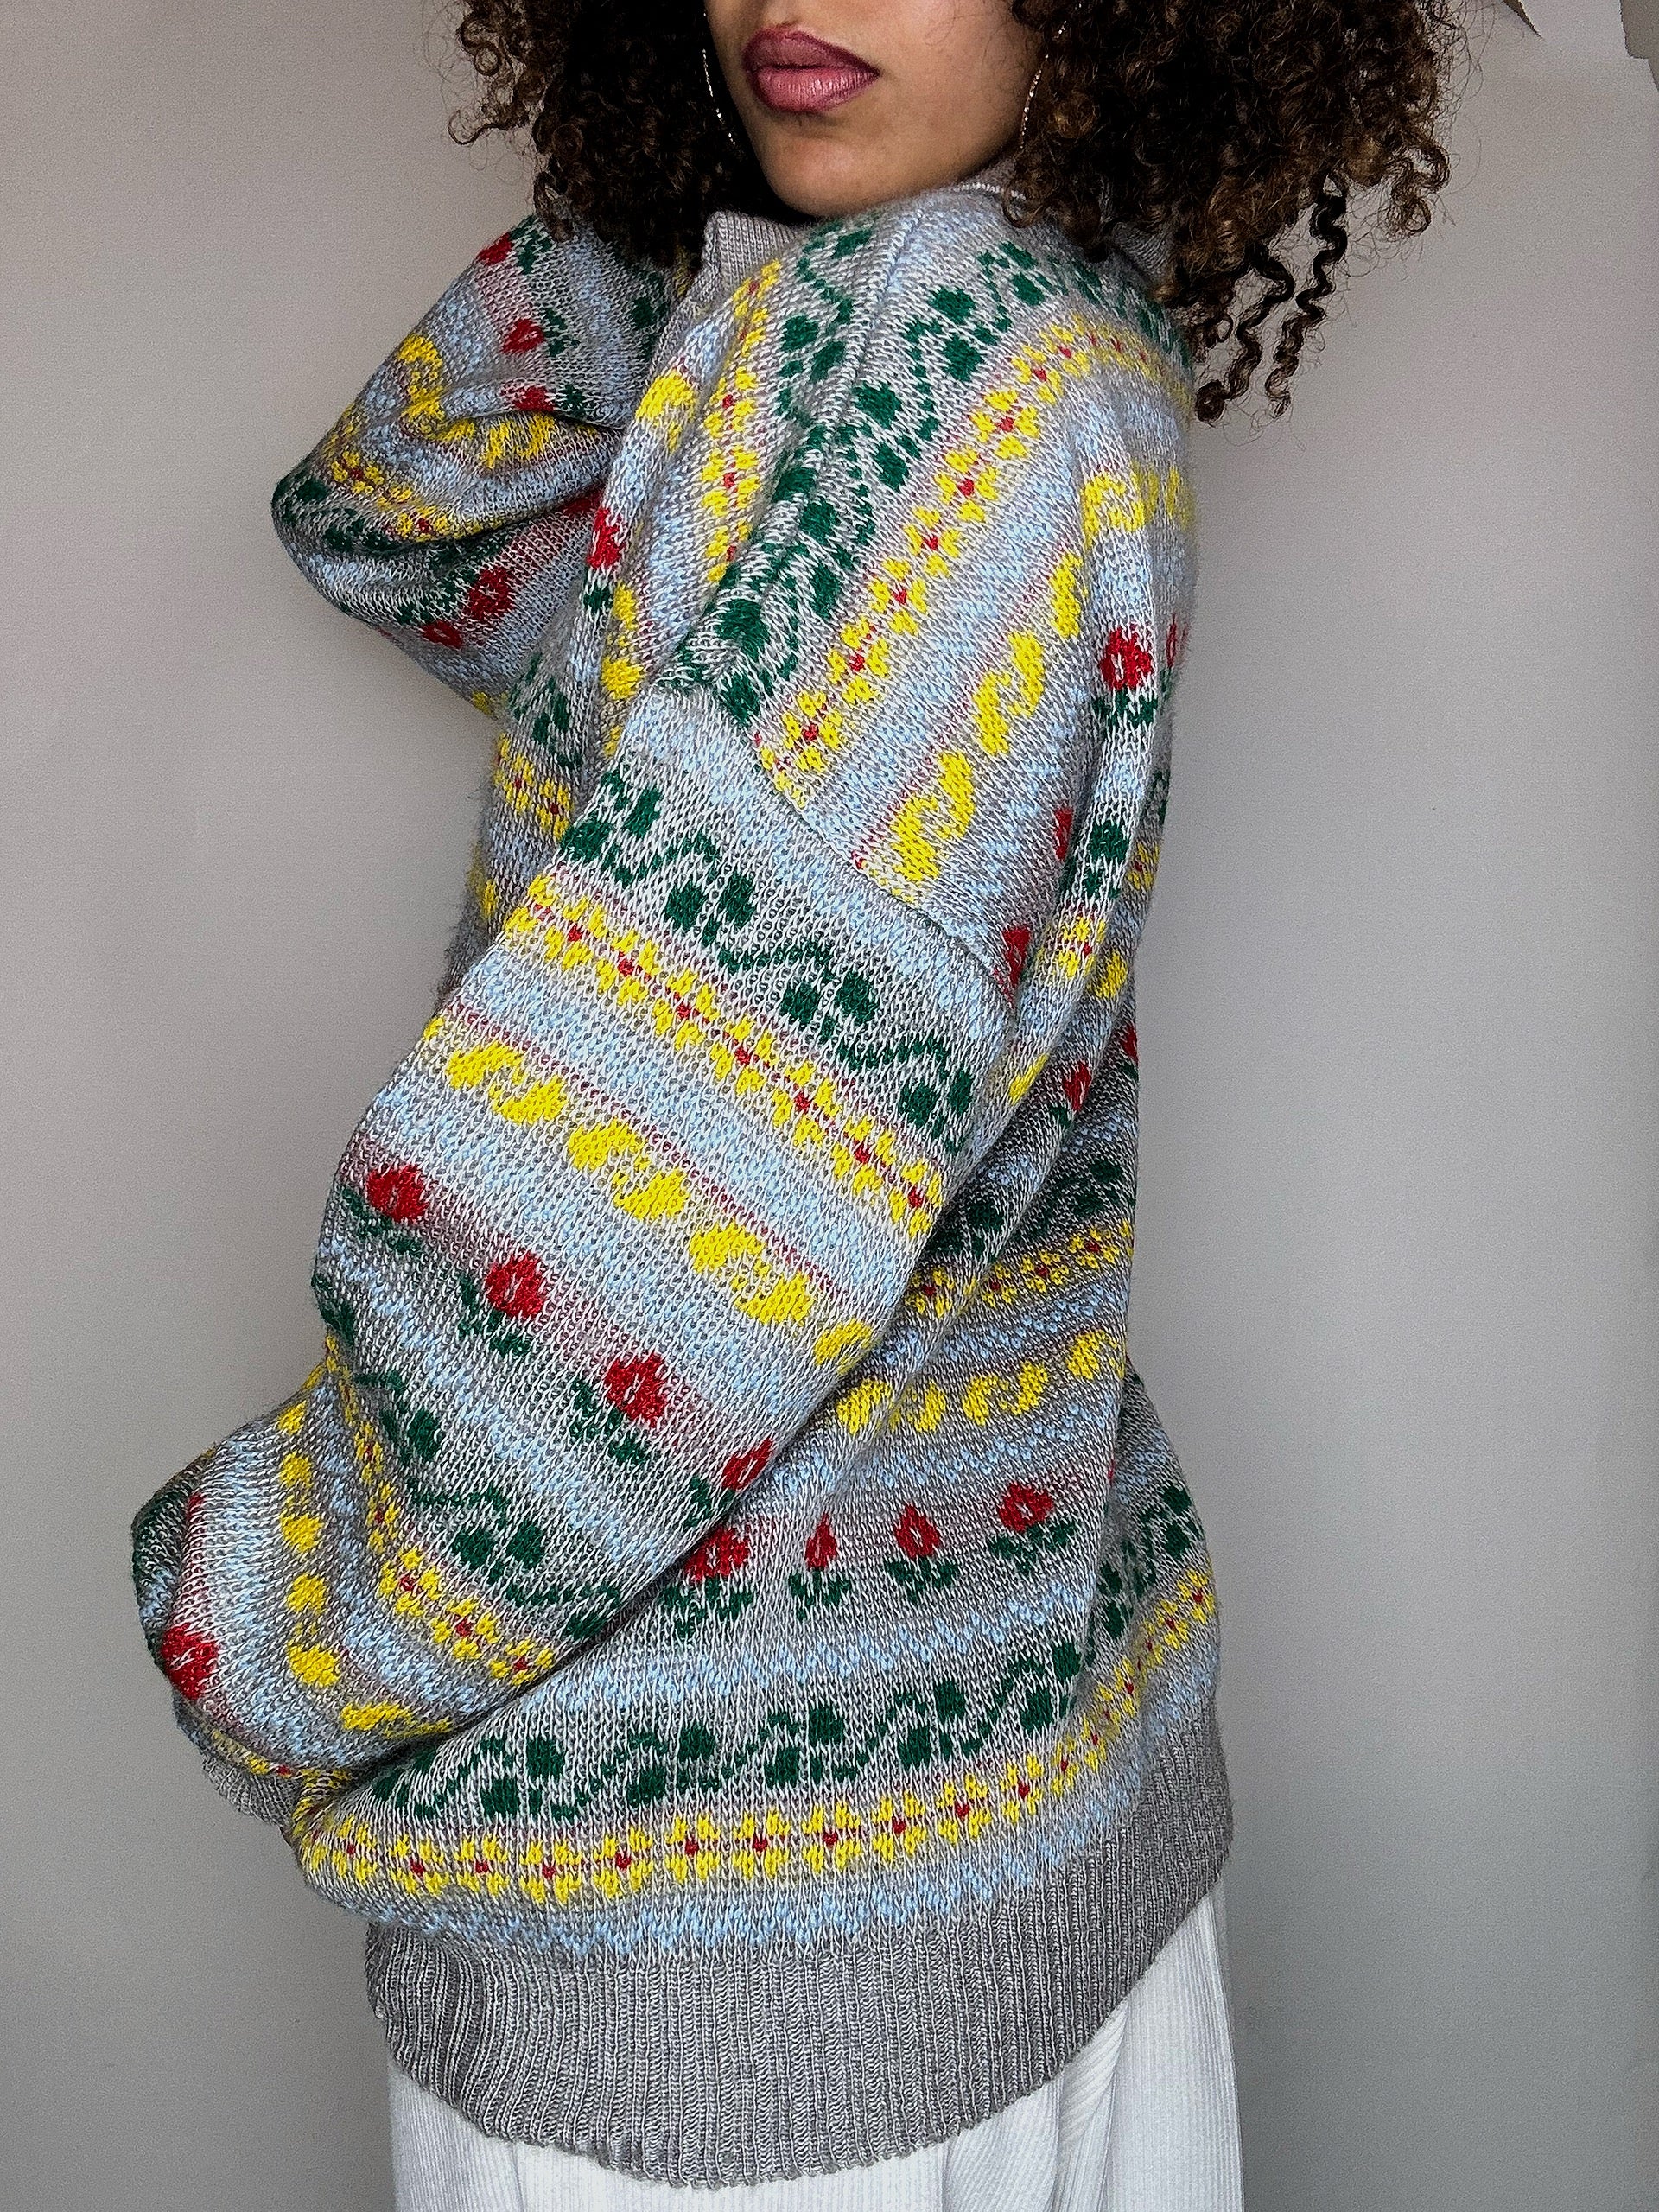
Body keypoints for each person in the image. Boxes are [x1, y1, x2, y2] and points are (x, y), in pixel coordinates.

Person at [130, 1, 1459, 2203]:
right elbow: (404, 515)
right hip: (976, 1792)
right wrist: (704, 215)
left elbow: (636, 1260)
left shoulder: (959, 372)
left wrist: (257, 1613)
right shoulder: (943, 332)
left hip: (730, 1933)